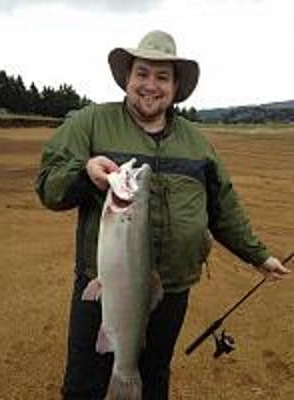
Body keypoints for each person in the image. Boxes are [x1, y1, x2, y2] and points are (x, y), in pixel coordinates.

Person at [35, 30, 290, 400]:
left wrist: (258, 255)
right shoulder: (90, 122)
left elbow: (223, 208)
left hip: (170, 291)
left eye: (162, 76)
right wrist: (83, 174)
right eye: (142, 73)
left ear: (175, 86)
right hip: (104, 288)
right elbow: (48, 186)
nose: (150, 85)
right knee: (86, 384)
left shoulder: (196, 141)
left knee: (153, 375)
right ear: (127, 77)